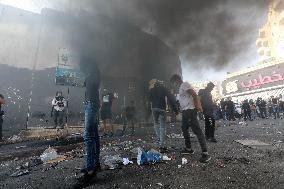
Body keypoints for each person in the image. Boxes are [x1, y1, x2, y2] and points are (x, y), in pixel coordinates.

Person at [170, 74, 211, 163]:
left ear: (176, 81)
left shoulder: (184, 84)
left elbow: (194, 94)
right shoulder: (181, 87)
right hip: (185, 111)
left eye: (173, 83)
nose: (173, 85)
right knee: (184, 128)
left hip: (190, 111)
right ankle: (188, 149)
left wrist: (197, 105)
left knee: (197, 131)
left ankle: (205, 153)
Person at [74, 57, 101, 188]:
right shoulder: (91, 73)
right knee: (94, 135)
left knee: (88, 136)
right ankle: (95, 164)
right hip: (90, 104)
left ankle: (91, 171)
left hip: (92, 105)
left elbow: (93, 85)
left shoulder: (95, 72)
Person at [149, 79, 178, 153]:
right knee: (162, 126)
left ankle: (159, 139)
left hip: (154, 109)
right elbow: (171, 98)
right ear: (161, 84)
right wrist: (175, 109)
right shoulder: (164, 88)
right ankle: (162, 144)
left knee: (156, 123)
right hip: (162, 109)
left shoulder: (152, 89)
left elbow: (148, 99)